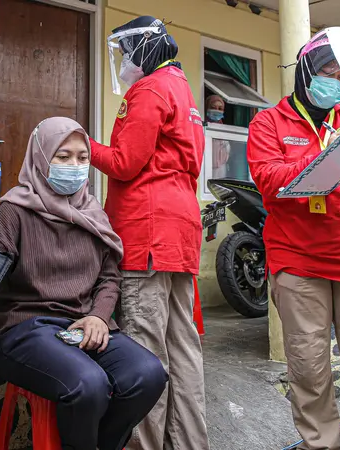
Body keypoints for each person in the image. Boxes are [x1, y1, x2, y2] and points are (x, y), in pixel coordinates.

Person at [0, 117, 168, 450]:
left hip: (83, 326)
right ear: (40, 156)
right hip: (27, 330)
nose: (75, 166)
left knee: (148, 375)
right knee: (88, 384)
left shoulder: (92, 213)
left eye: (82, 158)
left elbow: (109, 278)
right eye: (63, 156)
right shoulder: (14, 210)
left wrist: (98, 316)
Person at [246, 27, 340, 449]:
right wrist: (325, 160)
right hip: (298, 263)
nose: (339, 83)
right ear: (307, 69)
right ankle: (320, 444)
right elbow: (267, 180)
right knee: (309, 369)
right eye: (331, 72)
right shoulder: (268, 122)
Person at [94, 16, 209, 450]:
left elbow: (125, 162)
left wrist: (83, 144)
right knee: (183, 350)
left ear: (143, 49)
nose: (123, 61)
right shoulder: (183, 88)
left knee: (144, 355)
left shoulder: (149, 89)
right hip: (178, 230)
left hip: (147, 231)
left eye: (126, 52)